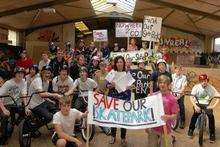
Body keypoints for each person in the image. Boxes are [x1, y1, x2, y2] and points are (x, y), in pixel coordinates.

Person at [106, 56, 131, 146]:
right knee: (114, 118)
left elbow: (131, 86)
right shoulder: (112, 72)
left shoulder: (127, 72)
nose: (119, 63)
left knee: (123, 119)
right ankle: (113, 136)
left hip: (125, 99)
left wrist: (128, 87)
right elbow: (107, 86)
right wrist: (111, 85)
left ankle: (123, 138)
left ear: (123, 63)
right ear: (115, 63)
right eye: (118, 62)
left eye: (121, 62)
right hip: (114, 99)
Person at [148, 75, 179, 147]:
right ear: (158, 84)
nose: (162, 84)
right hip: (154, 128)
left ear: (168, 85)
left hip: (166, 129)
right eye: (160, 82)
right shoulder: (154, 96)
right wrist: (147, 127)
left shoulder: (172, 99)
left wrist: (168, 117)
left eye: (164, 83)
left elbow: (175, 116)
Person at [28, 65, 61, 132]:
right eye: (45, 72)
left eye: (49, 73)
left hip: (42, 102)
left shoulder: (47, 82)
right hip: (34, 104)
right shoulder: (38, 80)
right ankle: (33, 128)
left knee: (57, 112)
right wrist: (54, 95)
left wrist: (50, 100)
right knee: (48, 117)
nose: (47, 74)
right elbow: (42, 94)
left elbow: (44, 94)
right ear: (42, 73)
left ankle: (56, 128)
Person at [188, 74, 220, 143]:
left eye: (205, 80)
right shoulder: (196, 87)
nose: (204, 82)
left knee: (211, 116)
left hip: (207, 105)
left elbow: (218, 96)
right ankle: (191, 129)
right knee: (195, 114)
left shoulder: (211, 87)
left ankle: (212, 133)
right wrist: (195, 106)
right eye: (202, 81)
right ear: (200, 81)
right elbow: (191, 97)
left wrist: (213, 106)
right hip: (198, 103)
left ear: (207, 81)